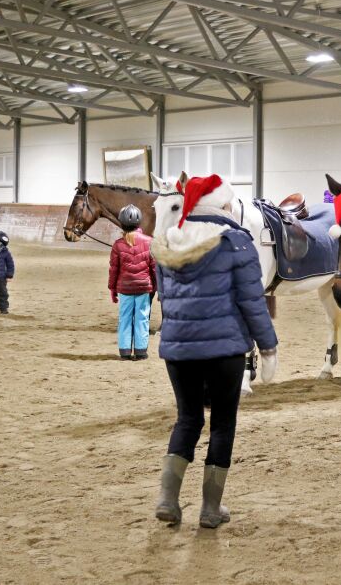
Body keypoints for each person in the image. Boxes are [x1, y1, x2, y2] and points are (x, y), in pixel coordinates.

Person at [151, 174, 278, 528]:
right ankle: (210, 509)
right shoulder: (237, 242)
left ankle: (168, 500)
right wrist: (268, 348)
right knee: (223, 424)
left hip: (177, 350)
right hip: (224, 351)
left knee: (187, 419)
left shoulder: (167, 242)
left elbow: (164, 297)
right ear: (224, 206)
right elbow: (253, 302)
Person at [108, 204, 157, 360]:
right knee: (142, 318)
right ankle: (141, 351)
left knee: (125, 318)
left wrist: (112, 289)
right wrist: (156, 287)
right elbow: (155, 268)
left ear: (121, 223)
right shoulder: (149, 242)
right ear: (139, 223)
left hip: (125, 288)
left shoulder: (118, 245)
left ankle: (125, 351)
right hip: (143, 288)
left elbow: (114, 269)